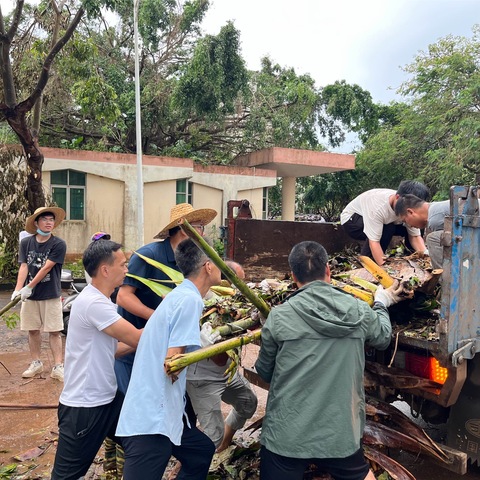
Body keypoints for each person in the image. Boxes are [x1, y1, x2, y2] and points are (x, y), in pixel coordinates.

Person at [255, 240, 406, 480]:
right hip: (339, 433)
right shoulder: (358, 310)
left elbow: (264, 371)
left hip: (287, 434)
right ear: (328, 270)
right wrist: (381, 303)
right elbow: (383, 338)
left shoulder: (279, 316)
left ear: (293, 276)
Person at [116, 238, 219, 479]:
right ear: (208, 266)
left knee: (201, 452)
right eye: (217, 260)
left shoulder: (180, 295)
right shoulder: (189, 300)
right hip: (152, 419)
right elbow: (172, 364)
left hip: (166, 412)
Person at [51, 239, 142, 480]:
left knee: (141, 442)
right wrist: (171, 313)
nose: (127, 269)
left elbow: (109, 349)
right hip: (85, 406)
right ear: (105, 269)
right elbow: (137, 339)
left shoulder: (101, 301)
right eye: (123, 264)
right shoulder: (94, 303)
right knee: (65, 476)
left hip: (107, 398)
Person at [115, 203, 217, 394]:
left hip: (165, 349)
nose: (202, 234)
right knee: (132, 401)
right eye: (199, 227)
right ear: (184, 229)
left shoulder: (191, 260)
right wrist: (158, 318)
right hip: (134, 346)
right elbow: (123, 297)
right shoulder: (148, 256)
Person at [186, 260, 258, 452]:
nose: (244, 288)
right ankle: (189, 467)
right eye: (240, 283)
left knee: (248, 402)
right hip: (202, 377)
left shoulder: (236, 305)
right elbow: (217, 356)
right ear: (226, 284)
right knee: (212, 435)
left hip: (226, 371)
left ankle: (225, 441)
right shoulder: (205, 303)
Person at [12, 207, 67, 381]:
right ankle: (36, 363)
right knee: (33, 330)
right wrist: (18, 289)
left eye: (51, 219)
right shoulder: (26, 243)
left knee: (54, 331)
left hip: (50, 293)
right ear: (36, 222)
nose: (49, 222)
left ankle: (58, 366)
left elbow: (46, 267)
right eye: (45, 219)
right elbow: (24, 266)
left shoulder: (58, 244)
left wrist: (28, 287)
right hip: (30, 297)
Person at [340, 180, 430, 265]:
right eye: (408, 210)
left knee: (417, 223)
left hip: (386, 221)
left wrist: (427, 256)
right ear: (397, 197)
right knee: (387, 228)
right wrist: (384, 268)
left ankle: (412, 260)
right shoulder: (377, 207)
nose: (410, 211)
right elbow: (374, 242)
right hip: (352, 221)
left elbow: (414, 236)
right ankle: (370, 263)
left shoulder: (410, 203)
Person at [394, 194, 452, 270]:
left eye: (405, 221)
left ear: (410, 212)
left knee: (432, 238)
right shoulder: (434, 208)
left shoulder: (434, 220)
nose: (409, 225)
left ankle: (445, 279)